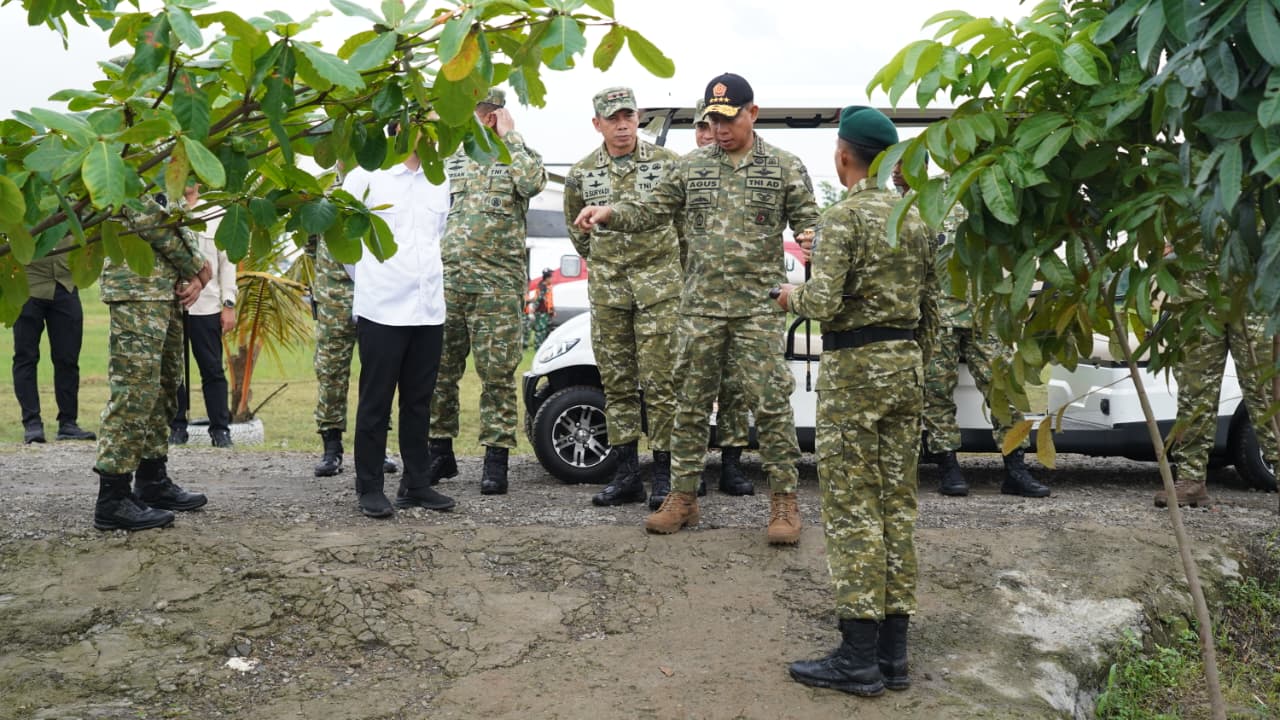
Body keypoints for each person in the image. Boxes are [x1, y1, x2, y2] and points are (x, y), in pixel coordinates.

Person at [574, 73, 821, 543]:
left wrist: (813, 239)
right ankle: (683, 497)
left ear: (752, 113)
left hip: (757, 309)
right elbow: (650, 209)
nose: (720, 129)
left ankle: (784, 502)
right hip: (700, 309)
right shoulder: (691, 167)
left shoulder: (784, 166)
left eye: (729, 119)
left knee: (771, 404)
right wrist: (610, 213)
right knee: (688, 404)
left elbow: (808, 221)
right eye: (712, 120)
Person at [777, 106, 937, 696]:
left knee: (852, 508)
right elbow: (932, 311)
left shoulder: (842, 218)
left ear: (843, 154)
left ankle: (858, 657)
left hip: (855, 374)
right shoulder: (915, 218)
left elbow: (822, 302)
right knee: (897, 505)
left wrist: (787, 296)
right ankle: (894, 656)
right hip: (906, 368)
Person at [895, 164, 1050, 498]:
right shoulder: (917, 200)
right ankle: (948, 468)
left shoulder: (986, 190)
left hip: (985, 313)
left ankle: (1016, 468)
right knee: (936, 392)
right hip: (938, 315)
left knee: (1004, 388)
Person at [564, 86, 683, 509]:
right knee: (617, 384)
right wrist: (606, 260)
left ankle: (665, 476)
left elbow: (683, 225)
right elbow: (578, 233)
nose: (622, 125)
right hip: (610, 292)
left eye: (628, 116)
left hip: (659, 291)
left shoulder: (668, 165)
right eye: (612, 118)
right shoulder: (581, 174)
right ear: (597, 123)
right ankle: (627, 474)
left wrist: (674, 271)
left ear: (638, 118)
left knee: (662, 383)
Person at [427, 89, 547, 495]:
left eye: (474, 113)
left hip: (496, 288)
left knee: (496, 376)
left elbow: (532, 183)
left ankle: (496, 460)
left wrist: (511, 138)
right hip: (449, 283)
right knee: (440, 372)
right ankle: (439, 452)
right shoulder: (450, 158)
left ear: (492, 117)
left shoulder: (517, 155)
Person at [343, 124, 454, 518]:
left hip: (428, 308)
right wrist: (373, 281)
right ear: (403, 125)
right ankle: (370, 486)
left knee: (419, 402)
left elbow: (436, 234)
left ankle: (417, 483)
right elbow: (345, 242)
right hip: (383, 308)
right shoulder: (365, 176)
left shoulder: (439, 179)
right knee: (376, 402)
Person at [93, 200, 212, 531]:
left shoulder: (168, 170)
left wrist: (192, 273)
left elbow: (175, 220)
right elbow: (147, 216)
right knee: (134, 391)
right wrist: (195, 266)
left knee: (164, 388)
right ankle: (113, 497)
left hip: (166, 288)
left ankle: (152, 480)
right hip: (137, 287)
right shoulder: (131, 168)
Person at [1159, 273, 1278, 507]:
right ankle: (1190, 478)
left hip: (1255, 284)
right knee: (1194, 391)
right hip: (1196, 286)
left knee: (1266, 390)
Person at [692, 96, 753, 497]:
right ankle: (691, 469)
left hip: (740, 300)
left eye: (715, 124)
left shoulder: (748, 168)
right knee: (692, 388)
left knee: (735, 386)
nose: (710, 133)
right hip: (693, 299)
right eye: (702, 126)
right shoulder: (685, 172)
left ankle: (731, 464)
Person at [169, 182, 237, 448]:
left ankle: (220, 429)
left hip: (206, 304)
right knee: (173, 369)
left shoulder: (215, 213)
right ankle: (176, 425)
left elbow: (227, 262)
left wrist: (229, 303)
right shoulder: (165, 211)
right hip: (172, 303)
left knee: (212, 369)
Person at [11, 250, 96, 444]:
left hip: (65, 287)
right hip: (28, 288)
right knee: (25, 357)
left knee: (68, 359)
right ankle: (32, 423)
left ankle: (68, 423)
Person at [526, 267, 556, 349]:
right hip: (541, 311)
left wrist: (552, 310)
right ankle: (538, 346)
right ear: (547, 278)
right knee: (540, 329)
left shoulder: (546, 286)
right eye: (551, 277)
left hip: (546, 311)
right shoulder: (542, 286)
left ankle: (542, 346)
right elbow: (539, 299)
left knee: (545, 329)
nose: (552, 279)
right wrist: (534, 308)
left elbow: (549, 300)